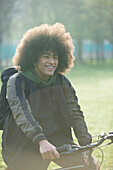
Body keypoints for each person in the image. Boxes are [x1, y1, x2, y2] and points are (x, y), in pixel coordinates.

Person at [2, 23, 99, 170]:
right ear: (34, 59)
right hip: (25, 143)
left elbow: (75, 112)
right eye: (46, 56)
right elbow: (22, 114)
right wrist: (41, 140)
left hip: (56, 137)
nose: (52, 62)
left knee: (88, 166)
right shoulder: (17, 81)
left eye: (55, 57)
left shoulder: (61, 81)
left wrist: (85, 147)